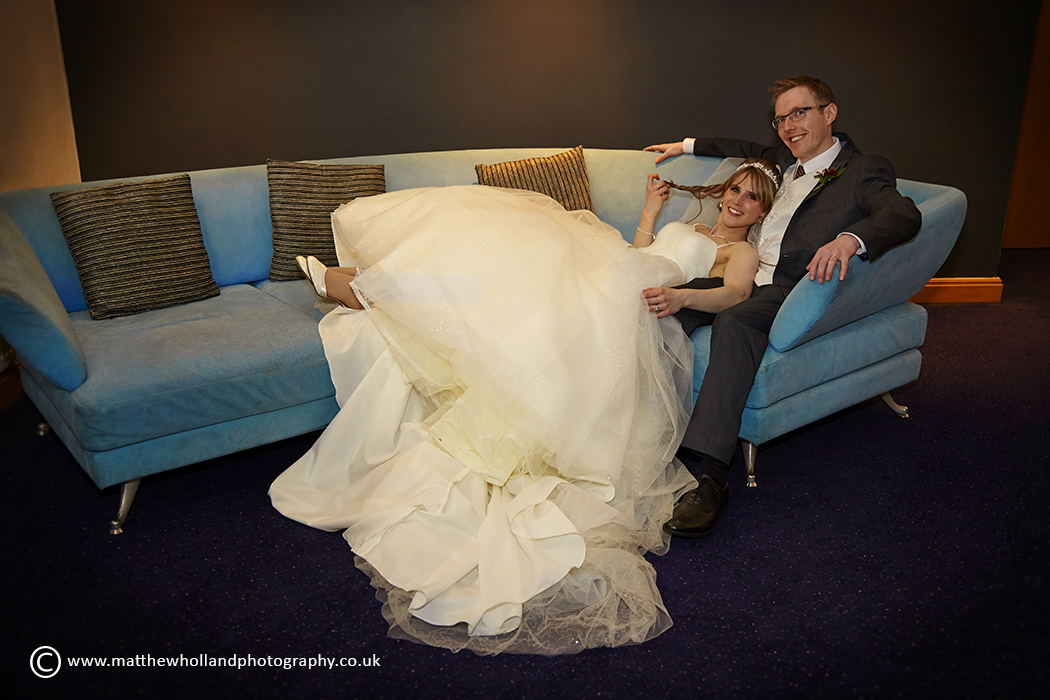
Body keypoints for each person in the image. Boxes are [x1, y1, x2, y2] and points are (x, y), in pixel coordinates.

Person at [269, 161, 779, 655]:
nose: (738, 201)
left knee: (537, 289)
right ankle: (372, 282)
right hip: (627, 266)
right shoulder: (690, 226)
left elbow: (735, 295)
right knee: (513, 264)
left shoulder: (741, 251)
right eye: (735, 189)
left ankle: (369, 287)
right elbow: (642, 251)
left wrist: (682, 298)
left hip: (643, 291)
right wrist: (649, 213)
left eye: (752, 197)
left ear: (762, 211)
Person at [645, 75, 922, 539]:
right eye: (780, 119)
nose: (789, 126)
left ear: (829, 113)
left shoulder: (863, 168)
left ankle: (712, 478)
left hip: (785, 288)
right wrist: (686, 145)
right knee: (655, 308)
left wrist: (849, 239)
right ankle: (639, 435)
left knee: (735, 321)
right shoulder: (781, 159)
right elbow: (740, 146)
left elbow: (903, 214)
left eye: (800, 113)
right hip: (737, 272)